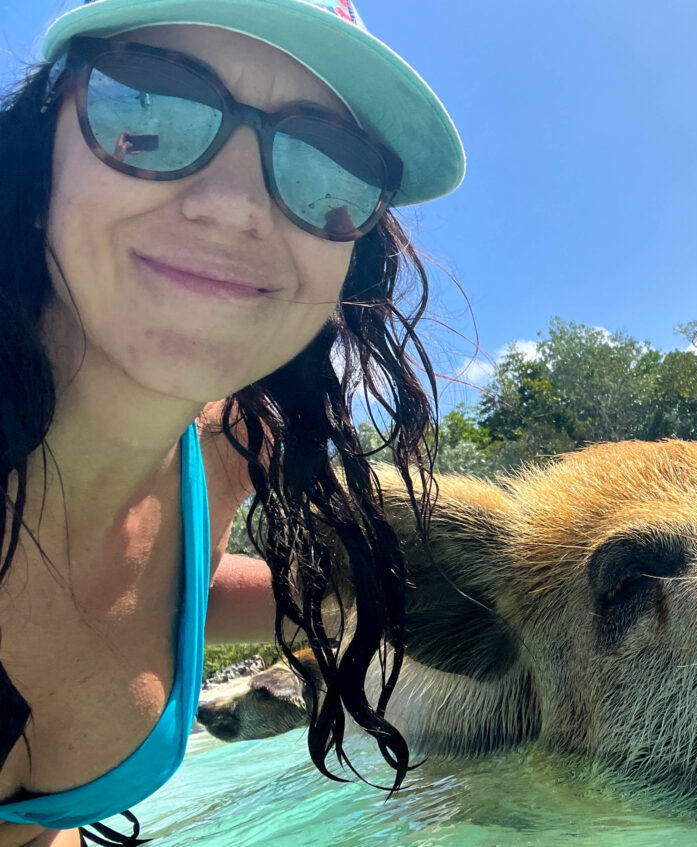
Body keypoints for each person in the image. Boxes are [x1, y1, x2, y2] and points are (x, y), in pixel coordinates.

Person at [0, 0, 465, 844]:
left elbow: (157, 584)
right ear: (40, 166)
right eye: (152, 105)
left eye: (329, 163)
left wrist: (363, 587)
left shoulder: (232, 447)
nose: (235, 206)